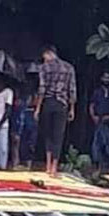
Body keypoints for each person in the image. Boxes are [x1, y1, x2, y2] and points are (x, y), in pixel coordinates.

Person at [34, 45, 77, 177]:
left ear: (48, 53)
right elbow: (72, 90)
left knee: (48, 134)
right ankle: (54, 167)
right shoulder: (69, 68)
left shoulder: (43, 68)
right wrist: (72, 108)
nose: (44, 59)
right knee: (58, 135)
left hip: (47, 103)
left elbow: (42, 89)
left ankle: (47, 165)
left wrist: (38, 108)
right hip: (62, 104)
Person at [16, 92, 39, 170]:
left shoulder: (36, 110)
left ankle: (29, 165)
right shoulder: (23, 108)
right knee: (22, 145)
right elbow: (20, 119)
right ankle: (22, 163)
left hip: (32, 128)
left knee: (31, 145)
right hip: (24, 128)